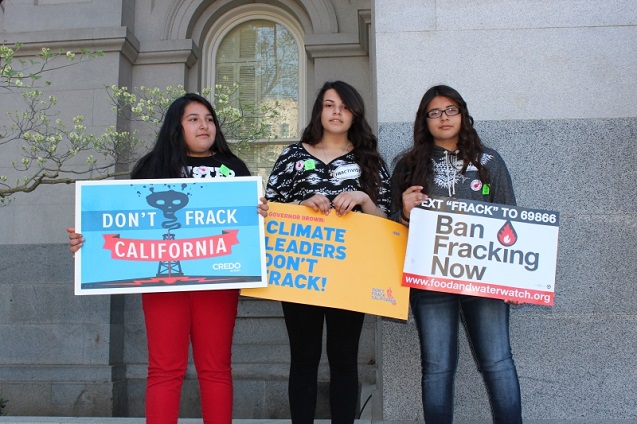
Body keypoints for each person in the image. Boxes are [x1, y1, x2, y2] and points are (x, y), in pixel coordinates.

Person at [68, 93, 268, 424]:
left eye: (209, 118)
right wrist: (84, 240)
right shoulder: (151, 167)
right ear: (176, 127)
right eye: (194, 119)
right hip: (162, 282)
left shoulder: (233, 168)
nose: (204, 125)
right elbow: (122, 222)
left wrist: (262, 214)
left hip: (218, 279)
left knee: (216, 368)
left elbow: (250, 228)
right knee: (164, 369)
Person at [390, 85, 522, 424]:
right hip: (430, 282)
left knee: (497, 362)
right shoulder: (407, 166)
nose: (444, 118)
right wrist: (404, 211)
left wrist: (516, 281)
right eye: (435, 112)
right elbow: (391, 230)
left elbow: (510, 217)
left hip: (485, 281)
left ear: (463, 114)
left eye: (450, 110)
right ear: (424, 120)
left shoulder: (489, 160)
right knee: (437, 369)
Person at [265, 81, 391, 423]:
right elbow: (268, 213)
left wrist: (364, 200)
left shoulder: (370, 160)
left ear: (355, 114)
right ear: (318, 111)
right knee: (303, 359)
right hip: (300, 272)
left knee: (344, 359)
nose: (337, 112)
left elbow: (392, 225)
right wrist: (300, 204)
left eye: (345, 107)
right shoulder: (292, 155)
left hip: (351, 276)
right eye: (329, 105)